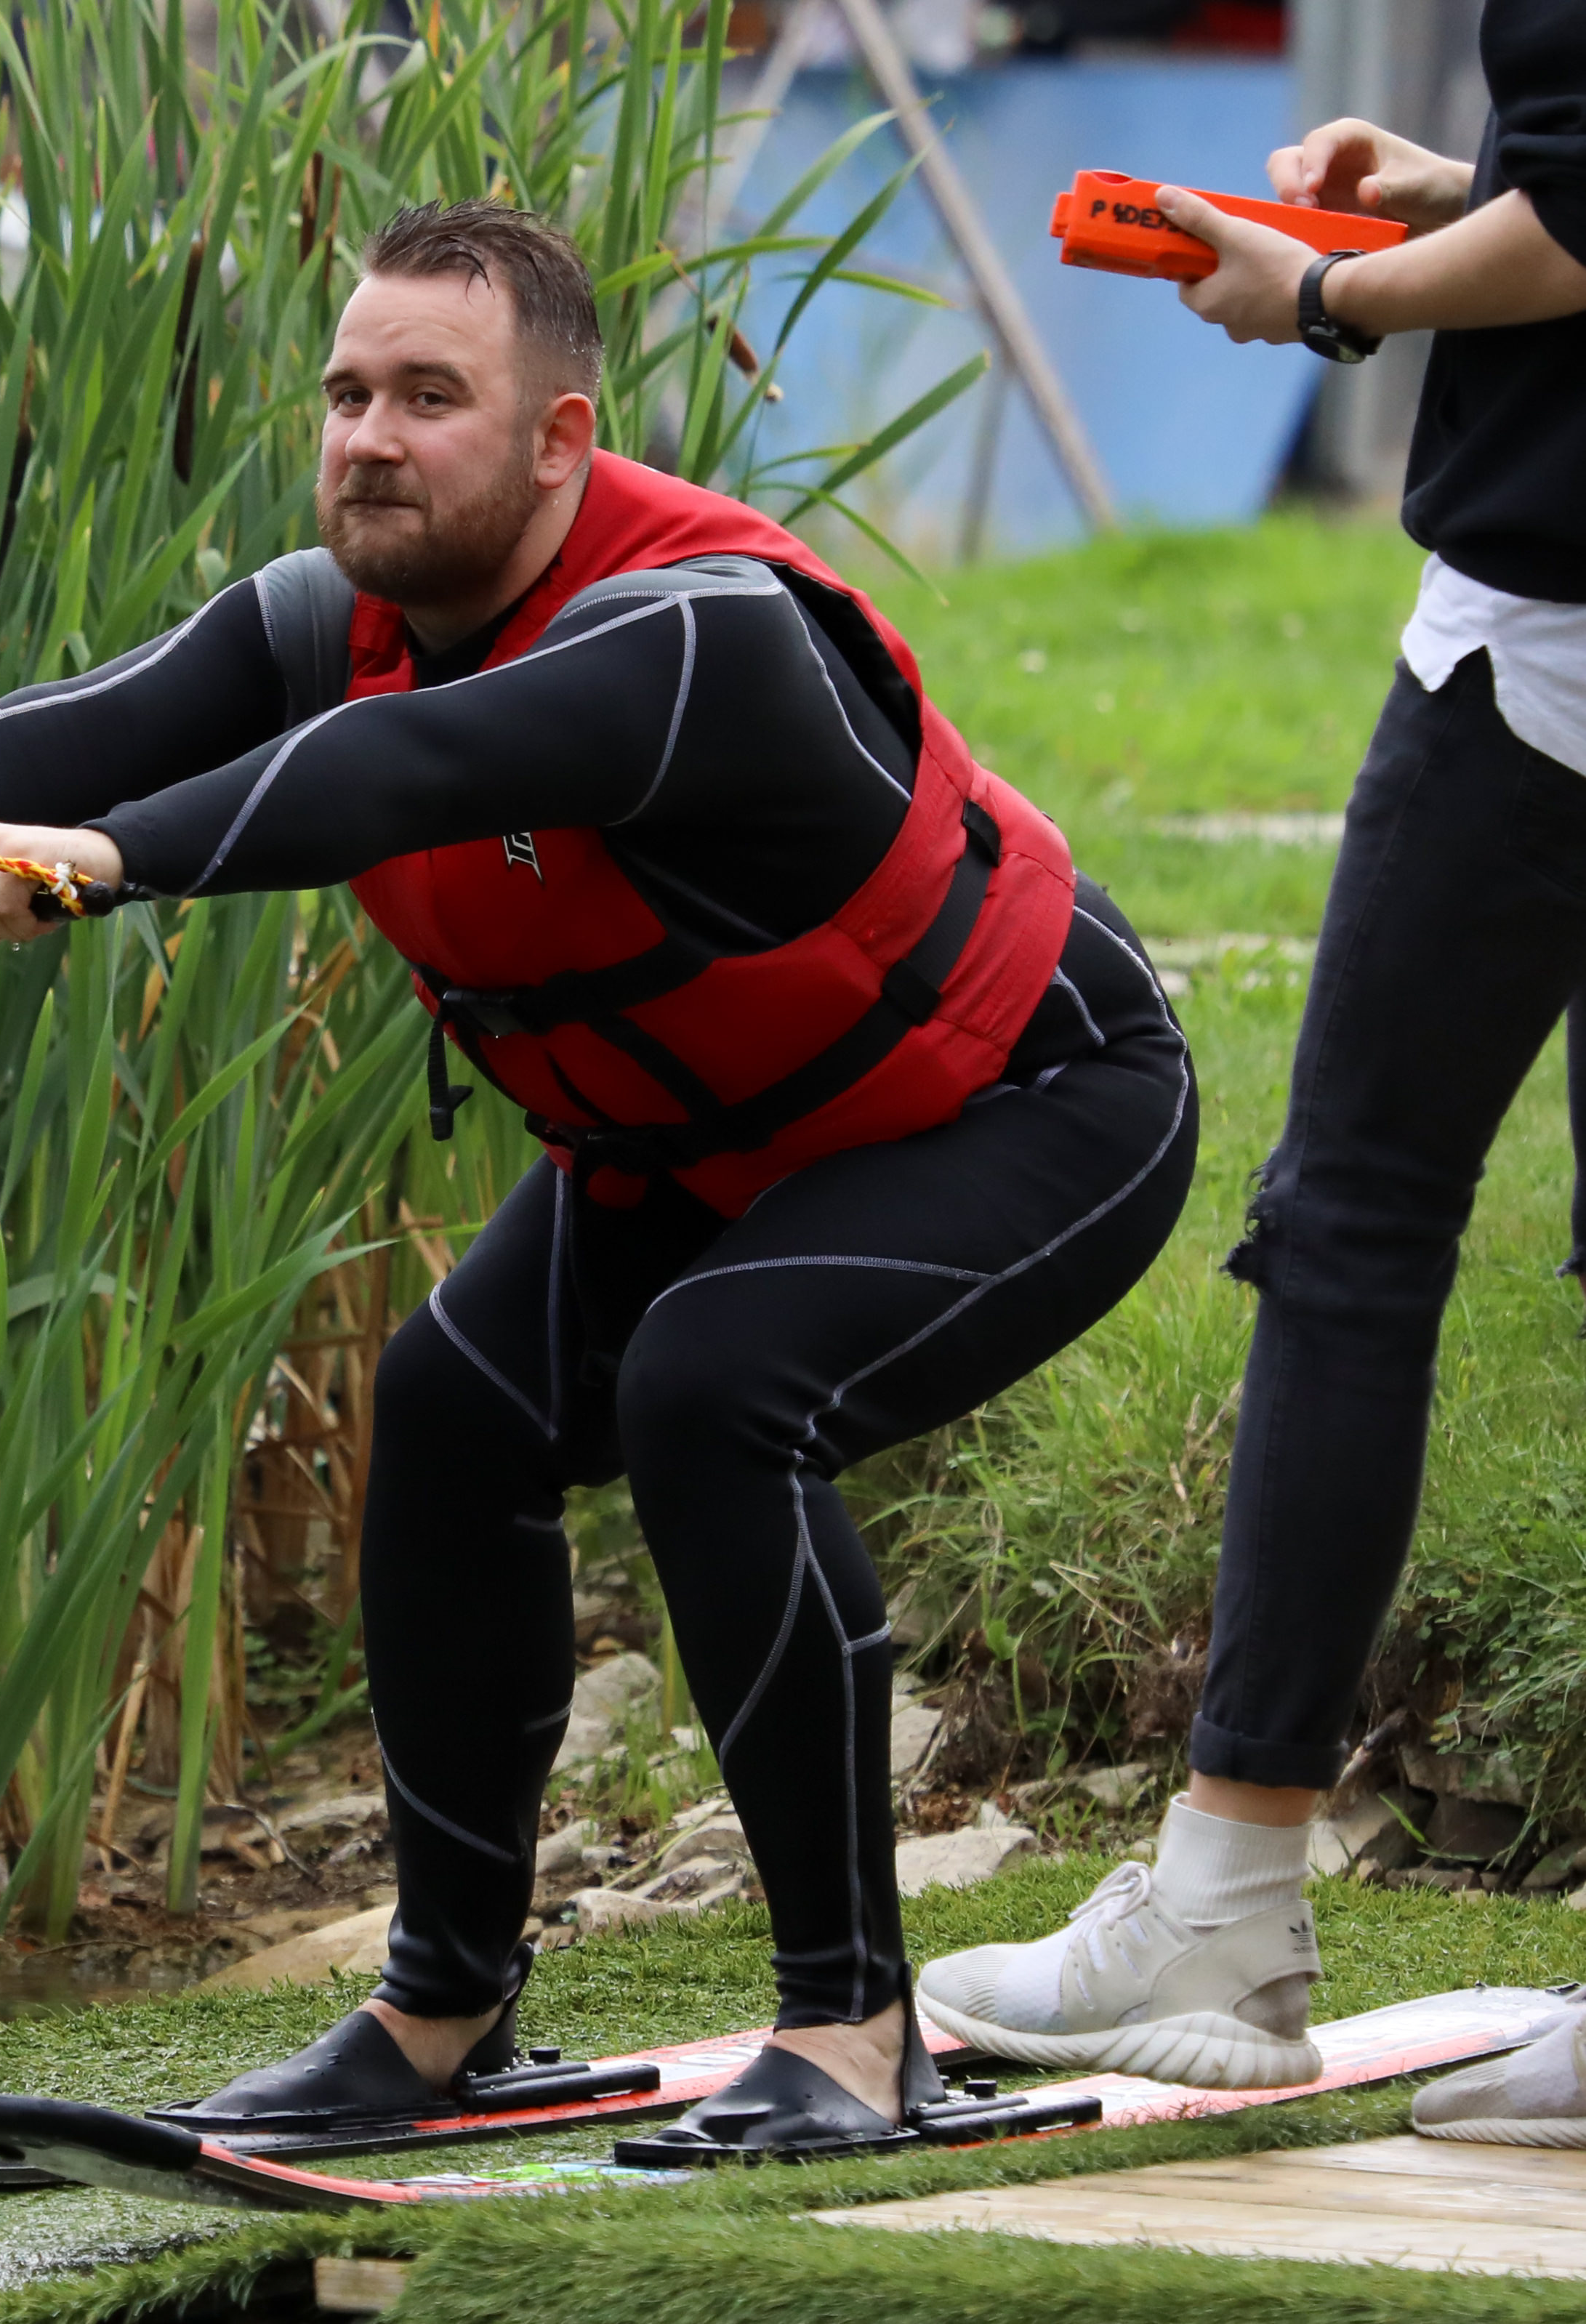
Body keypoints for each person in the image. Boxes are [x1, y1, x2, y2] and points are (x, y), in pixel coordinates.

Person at [0, 200, 1196, 2161]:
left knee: (713, 1389)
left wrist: (100, 862)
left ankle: (855, 2034)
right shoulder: (324, 619)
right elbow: (95, 724)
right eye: (348, 395)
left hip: (1029, 1106)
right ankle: (443, 2010)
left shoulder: (704, 635)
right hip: (710, 1142)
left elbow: (396, 777)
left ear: (563, 440)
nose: (370, 439)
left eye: (432, 397)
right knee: (447, 1410)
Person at [917, 4, 1586, 2136]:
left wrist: (1323, 292)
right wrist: (1460, 194)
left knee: (1356, 1223)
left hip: (1551, 640)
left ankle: (1223, 1906)